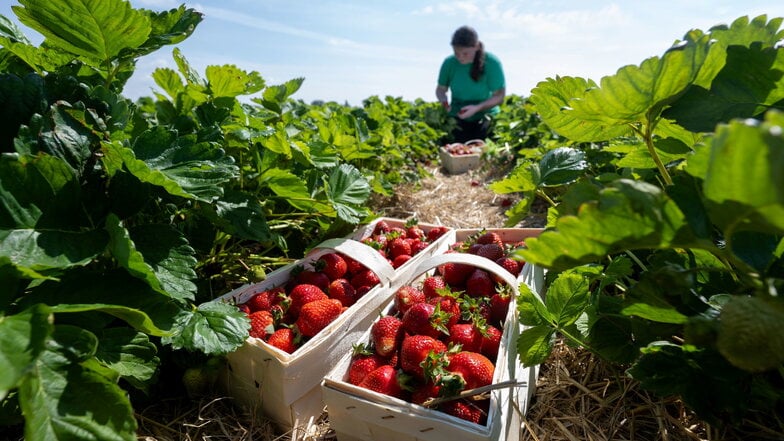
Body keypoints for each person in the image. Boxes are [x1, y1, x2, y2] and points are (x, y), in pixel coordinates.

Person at [436, 25, 506, 144]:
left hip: (486, 115)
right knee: (457, 146)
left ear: (476, 47)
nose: (460, 58)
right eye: (457, 53)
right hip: (458, 116)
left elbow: (499, 96)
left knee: (482, 145)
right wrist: (443, 100)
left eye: (465, 53)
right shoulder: (449, 63)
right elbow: (441, 89)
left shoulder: (492, 62)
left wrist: (477, 108)